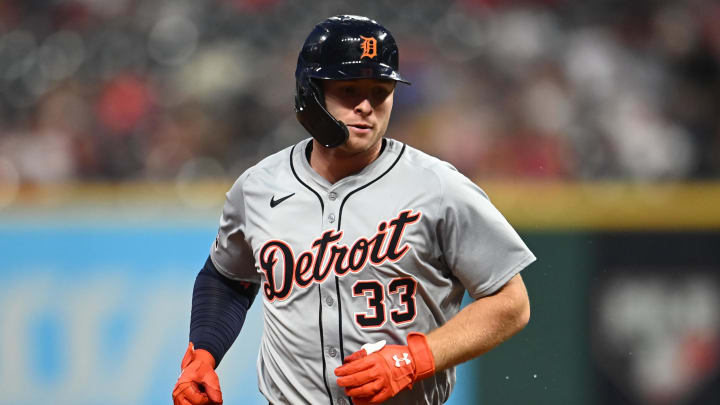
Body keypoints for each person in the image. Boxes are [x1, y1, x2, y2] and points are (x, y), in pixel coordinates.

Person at [172, 15, 535, 405]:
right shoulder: (259, 186)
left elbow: (511, 303)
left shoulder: (439, 187)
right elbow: (227, 278)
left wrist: (413, 360)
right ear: (310, 93)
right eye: (348, 89)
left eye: (380, 91)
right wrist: (204, 355)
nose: (366, 106)